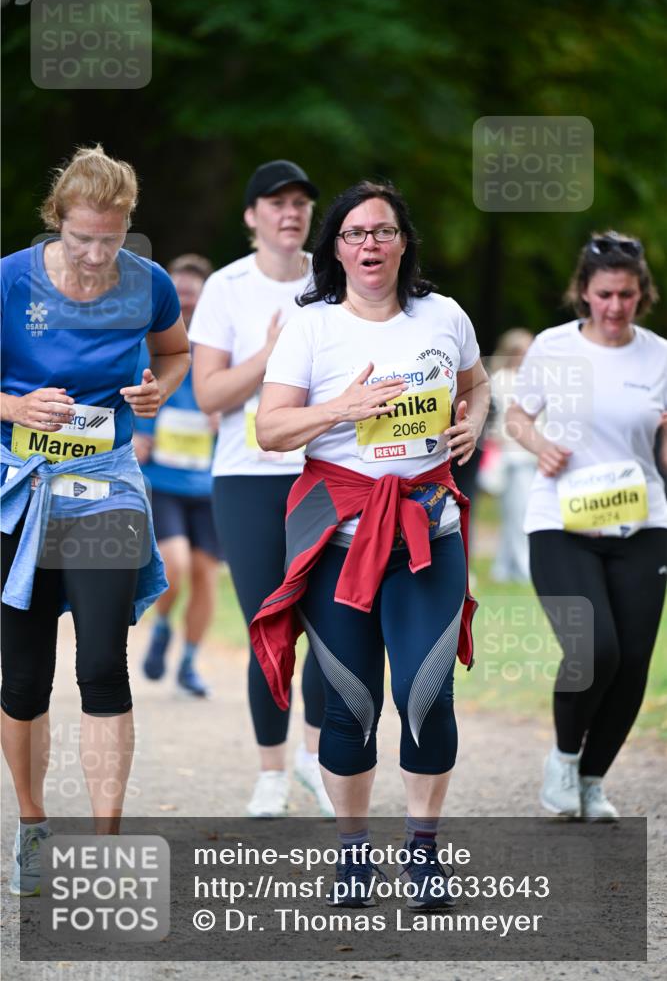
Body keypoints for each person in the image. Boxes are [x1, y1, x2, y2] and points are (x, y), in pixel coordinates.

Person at [251, 180, 489, 907]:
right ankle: (353, 854)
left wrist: (473, 422)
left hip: (426, 529)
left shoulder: (442, 315)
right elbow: (268, 431)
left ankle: (422, 852)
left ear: (403, 242)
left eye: (382, 231)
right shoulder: (311, 326)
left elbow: (476, 387)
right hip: (339, 535)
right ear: (335, 250)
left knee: (427, 695)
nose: (369, 246)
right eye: (354, 234)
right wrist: (344, 408)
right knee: (351, 707)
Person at [0, 145, 190, 895]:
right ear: (58, 223)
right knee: (23, 679)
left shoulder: (146, 285)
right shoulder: (11, 280)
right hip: (19, 487)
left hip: (105, 487)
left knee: (103, 663)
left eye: (108, 240)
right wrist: (15, 407)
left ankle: (106, 844)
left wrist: (155, 392)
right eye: (81, 238)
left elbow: (175, 354)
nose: (93, 254)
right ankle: (33, 827)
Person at [506, 231, 667, 820]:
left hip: (642, 523)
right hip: (560, 521)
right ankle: (564, 757)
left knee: (632, 665)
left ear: (641, 293)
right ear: (584, 292)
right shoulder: (553, 348)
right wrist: (540, 445)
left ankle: (593, 781)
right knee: (593, 645)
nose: (615, 306)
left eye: (627, 294)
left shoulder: (660, 357)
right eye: (605, 294)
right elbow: (518, 416)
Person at [189, 160, 331, 817]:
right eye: (276, 202)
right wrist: (268, 356)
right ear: (251, 216)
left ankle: (313, 760)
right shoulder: (226, 287)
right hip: (246, 477)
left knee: (334, 626)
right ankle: (270, 771)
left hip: (325, 472)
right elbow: (210, 392)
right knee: (268, 627)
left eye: (301, 201)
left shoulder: (332, 280)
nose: (290, 212)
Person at [134, 253, 222, 697]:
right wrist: (132, 434)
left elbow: (252, 398)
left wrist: (225, 414)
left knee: (207, 575)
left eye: (193, 297)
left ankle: (188, 662)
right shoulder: (147, 343)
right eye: (179, 296)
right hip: (162, 481)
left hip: (208, 483)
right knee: (176, 566)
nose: (185, 304)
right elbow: (119, 392)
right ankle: (164, 623)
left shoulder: (220, 349)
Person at [487, 328, 536, 583]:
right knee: (517, 514)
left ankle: (504, 568)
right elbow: (498, 422)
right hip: (511, 457)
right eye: (521, 352)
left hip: (530, 457)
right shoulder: (502, 379)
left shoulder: (536, 380)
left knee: (518, 513)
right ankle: (522, 566)